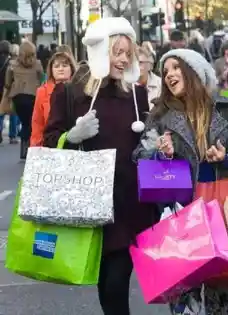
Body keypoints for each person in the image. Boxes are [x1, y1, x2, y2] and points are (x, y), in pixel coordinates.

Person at [133, 48, 228, 315]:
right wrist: (160, 153)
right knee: (185, 301)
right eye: (166, 70)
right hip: (180, 218)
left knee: (218, 297)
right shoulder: (159, 117)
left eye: (175, 67)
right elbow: (139, 156)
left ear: (194, 71)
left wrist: (226, 153)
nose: (169, 74)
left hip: (220, 212)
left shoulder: (226, 108)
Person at [43, 17, 158, 315]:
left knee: (117, 283)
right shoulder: (70, 94)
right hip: (91, 202)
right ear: (99, 52)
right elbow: (50, 141)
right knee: (106, 283)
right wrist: (73, 135)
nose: (123, 59)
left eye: (127, 53)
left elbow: (145, 143)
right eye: (116, 51)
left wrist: (154, 142)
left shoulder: (136, 94)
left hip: (130, 205)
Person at [3, 40, 43, 158]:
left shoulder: (12, 64)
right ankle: (29, 147)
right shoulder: (38, 64)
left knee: (25, 122)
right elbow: (41, 78)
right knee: (30, 122)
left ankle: (24, 148)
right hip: (33, 96)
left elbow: (7, 82)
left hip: (17, 97)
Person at [30, 51, 76, 147]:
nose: (61, 69)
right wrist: (36, 148)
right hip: (50, 145)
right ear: (51, 70)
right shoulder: (42, 92)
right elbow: (37, 123)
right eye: (56, 66)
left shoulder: (79, 89)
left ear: (71, 68)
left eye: (64, 65)